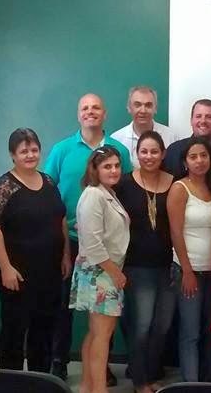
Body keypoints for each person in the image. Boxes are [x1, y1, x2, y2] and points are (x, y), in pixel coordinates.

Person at [45, 93, 132, 381]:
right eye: (85, 108)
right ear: (78, 113)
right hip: (71, 240)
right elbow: (47, 190)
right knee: (63, 310)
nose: (90, 112)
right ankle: (59, 363)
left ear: (104, 114)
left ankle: (97, 372)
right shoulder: (62, 150)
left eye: (96, 108)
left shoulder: (118, 150)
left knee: (100, 325)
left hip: (105, 246)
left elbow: (126, 189)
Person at [0, 128, 70, 372]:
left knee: (44, 328)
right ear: (13, 155)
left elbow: (61, 219)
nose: (30, 155)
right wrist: (5, 268)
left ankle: (39, 379)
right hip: (16, 273)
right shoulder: (3, 188)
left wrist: (65, 255)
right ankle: (10, 381)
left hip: (49, 270)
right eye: (24, 151)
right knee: (15, 328)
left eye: (34, 150)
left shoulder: (49, 182)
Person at [114, 131, 176, 393]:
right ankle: (140, 381)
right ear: (137, 154)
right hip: (136, 266)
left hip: (168, 266)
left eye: (154, 151)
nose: (149, 156)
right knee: (141, 324)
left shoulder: (175, 183)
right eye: (144, 151)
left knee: (162, 325)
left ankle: (151, 374)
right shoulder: (124, 184)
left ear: (163, 154)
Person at [70, 145, 131, 393]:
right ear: (94, 169)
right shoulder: (94, 195)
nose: (114, 170)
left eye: (116, 165)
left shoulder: (106, 193)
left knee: (96, 333)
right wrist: (115, 273)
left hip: (102, 270)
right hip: (102, 271)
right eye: (107, 166)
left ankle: (87, 386)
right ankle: (98, 389)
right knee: (102, 335)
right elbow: (93, 243)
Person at [167, 138, 211, 382]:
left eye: (203, 155)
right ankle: (190, 384)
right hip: (188, 271)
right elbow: (175, 232)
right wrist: (187, 271)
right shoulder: (179, 188)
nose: (199, 161)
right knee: (190, 332)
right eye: (193, 157)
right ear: (185, 162)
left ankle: (210, 382)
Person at [111, 85, 179, 168]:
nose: (143, 111)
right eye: (137, 105)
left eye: (148, 105)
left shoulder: (171, 137)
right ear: (129, 108)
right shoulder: (117, 139)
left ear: (155, 108)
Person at [162, 99, 211, 178]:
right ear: (191, 120)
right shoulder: (174, 151)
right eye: (198, 116)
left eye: (209, 117)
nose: (203, 121)